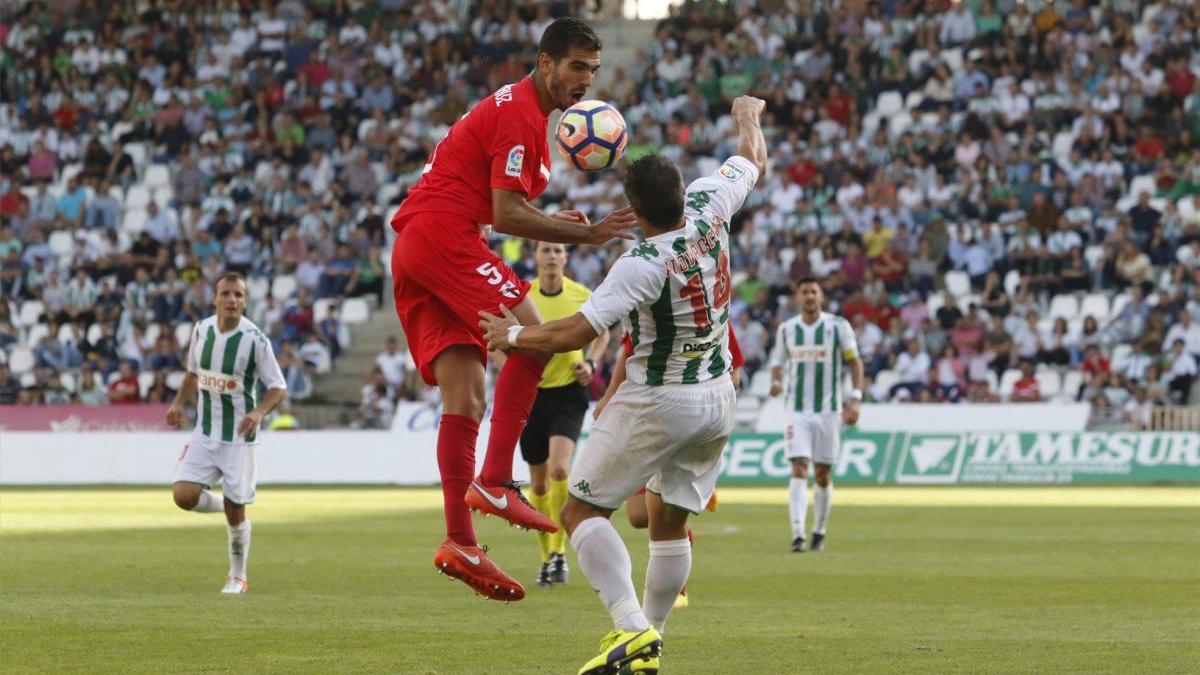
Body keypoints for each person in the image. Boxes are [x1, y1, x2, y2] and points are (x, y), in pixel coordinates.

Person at [480, 95, 766, 675]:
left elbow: (571, 332)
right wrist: (747, 116)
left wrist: (512, 336)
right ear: (684, 191)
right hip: (717, 397)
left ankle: (631, 626)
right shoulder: (713, 204)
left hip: (660, 397)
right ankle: (650, 644)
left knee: (581, 513)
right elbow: (750, 159)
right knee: (668, 525)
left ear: (634, 209)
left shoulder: (640, 264)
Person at [388, 17, 638, 601]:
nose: (586, 80)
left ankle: (460, 540)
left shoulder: (522, 112)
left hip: (425, 241)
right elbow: (505, 213)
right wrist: (590, 235)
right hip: (447, 236)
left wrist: (558, 225)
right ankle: (497, 480)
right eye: (577, 66)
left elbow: (504, 207)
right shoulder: (521, 113)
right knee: (542, 336)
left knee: (467, 395)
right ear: (546, 62)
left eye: (593, 70)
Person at [166, 272, 287, 594]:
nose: (232, 300)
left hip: (239, 437)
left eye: (238, 295)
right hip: (205, 432)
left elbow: (278, 386)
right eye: (226, 294)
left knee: (235, 516)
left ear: (245, 301)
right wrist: (179, 403)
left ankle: (238, 576)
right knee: (183, 496)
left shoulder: (255, 340)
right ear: (215, 298)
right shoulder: (202, 330)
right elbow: (194, 373)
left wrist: (259, 412)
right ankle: (234, 504)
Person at [519, 241, 610, 588]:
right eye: (546, 250)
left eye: (558, 250)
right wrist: (509, 370)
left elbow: (603, 332)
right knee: (538, 482)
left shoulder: (581, 294)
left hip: (569, 394)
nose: (553, 256)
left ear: (566, 258)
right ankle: (547, 557)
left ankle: (558, 551)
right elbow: (495, 341)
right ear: (536, 257)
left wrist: (590, 362)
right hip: (530, 396)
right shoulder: (522, 295)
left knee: (560, 469)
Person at [767, 277, 865, 553]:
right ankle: (797, 534)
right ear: (798, 298)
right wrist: (776, 382)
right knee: (798, 466)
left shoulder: (837, 327)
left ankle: (819, 530)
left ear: (821, 297)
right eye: (805, 292)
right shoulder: (787, 330)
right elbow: (778, 362)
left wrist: (855, 399)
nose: (809, 296)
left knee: (822, 474)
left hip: (829, 411)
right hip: (797, 411)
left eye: (814, 292)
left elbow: (854, 362)